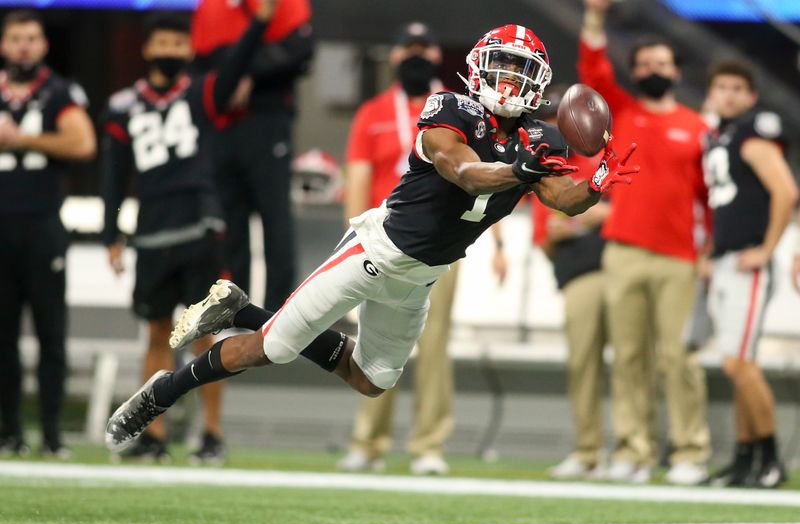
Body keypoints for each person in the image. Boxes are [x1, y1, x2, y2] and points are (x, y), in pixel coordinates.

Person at [104, 24, 639, 456]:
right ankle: (163, 391)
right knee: (272, 349)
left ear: (539, 82)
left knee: (370, 381)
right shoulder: (449, 108)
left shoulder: (539, 137)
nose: (507, 77)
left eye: (520, 70)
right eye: (501, 63)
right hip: (375, 251)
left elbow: (561, 198)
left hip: (421, 277)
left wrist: (594, 185)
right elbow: (464, 171)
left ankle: (242, 308)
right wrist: (517, 170)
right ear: (477, 66)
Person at [101, 4, 274, 463]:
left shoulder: (201, 93)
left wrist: (259, 22)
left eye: (178, 43)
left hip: (201, 226)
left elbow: (238, 63)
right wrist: (111, 232)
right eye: (163, 42)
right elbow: (113, 177)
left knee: (205, 333)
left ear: (189, 48)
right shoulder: (122, 105)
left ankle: (210, 433)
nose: (170, 50)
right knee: (158, 334)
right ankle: (154, 435)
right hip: (154, 230)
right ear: (147, 48)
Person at [579, 0, 712, 484]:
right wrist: (594, 18)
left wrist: (710, 254)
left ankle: (689, 453)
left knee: (678, 358)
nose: (654, 70)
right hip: (625, 252)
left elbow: (712, 198)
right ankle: (635, 451)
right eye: (646, 64)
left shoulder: (699, 129)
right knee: (630, 356)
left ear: (677, 71)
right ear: (633, 72)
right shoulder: (623, 114)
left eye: (662, 63)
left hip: (680, 258)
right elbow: (593, 72)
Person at [337, 22, 457, 475]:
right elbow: (358, 178)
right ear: (394, 56)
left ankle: (429, 446)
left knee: (434, 345)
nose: (417, 56)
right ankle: (368, 444)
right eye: (408, 48)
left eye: (425, 49)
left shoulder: (457, 111)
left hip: (443, 243)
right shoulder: (373, 111)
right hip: (382, 241)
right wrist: (352, 236)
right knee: (375, 341)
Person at [0, 10, 95, 458]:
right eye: (15, 38)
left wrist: (21, 140)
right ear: (4, 45)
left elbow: (82, 143)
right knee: (2, 337)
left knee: (50, 333)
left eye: (31, 38)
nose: (23, 46)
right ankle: (9, 431)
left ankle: (53, 434)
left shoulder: (60, 91)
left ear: (43, 45)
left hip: (42, 227)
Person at [702, 60, 797, 488]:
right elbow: (725, 205)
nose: (729, 94)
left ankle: (771, 459)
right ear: (711, 93)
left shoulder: (752, 134)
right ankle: (744, 460)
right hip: (725, 260)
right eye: (721, 86)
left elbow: (786, 191)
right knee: (738, 364)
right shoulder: (718, 138)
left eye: (738, 87)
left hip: (747, 263)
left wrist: (767, 249)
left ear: (752, 96)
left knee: (740, 364)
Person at [191, 0, 313, 311]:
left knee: (275, 219)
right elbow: (201, 63)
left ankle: (278, 315)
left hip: (267, 121)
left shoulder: (285, 3)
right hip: (223, 126)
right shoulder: (210, 7)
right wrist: (225, 82)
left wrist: (248, 76)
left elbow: (300, 51)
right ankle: (233, 313)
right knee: (230, 223)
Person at [529, 85, 608, 480]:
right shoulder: (542, 171)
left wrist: (574, 222)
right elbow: (546, 238)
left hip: (612, 267)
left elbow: (614, 212)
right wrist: (584, 218)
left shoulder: (592, 161)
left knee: (633, 361)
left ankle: (634, 450)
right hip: (577, 273)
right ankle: (589, 450)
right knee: (585, 364)